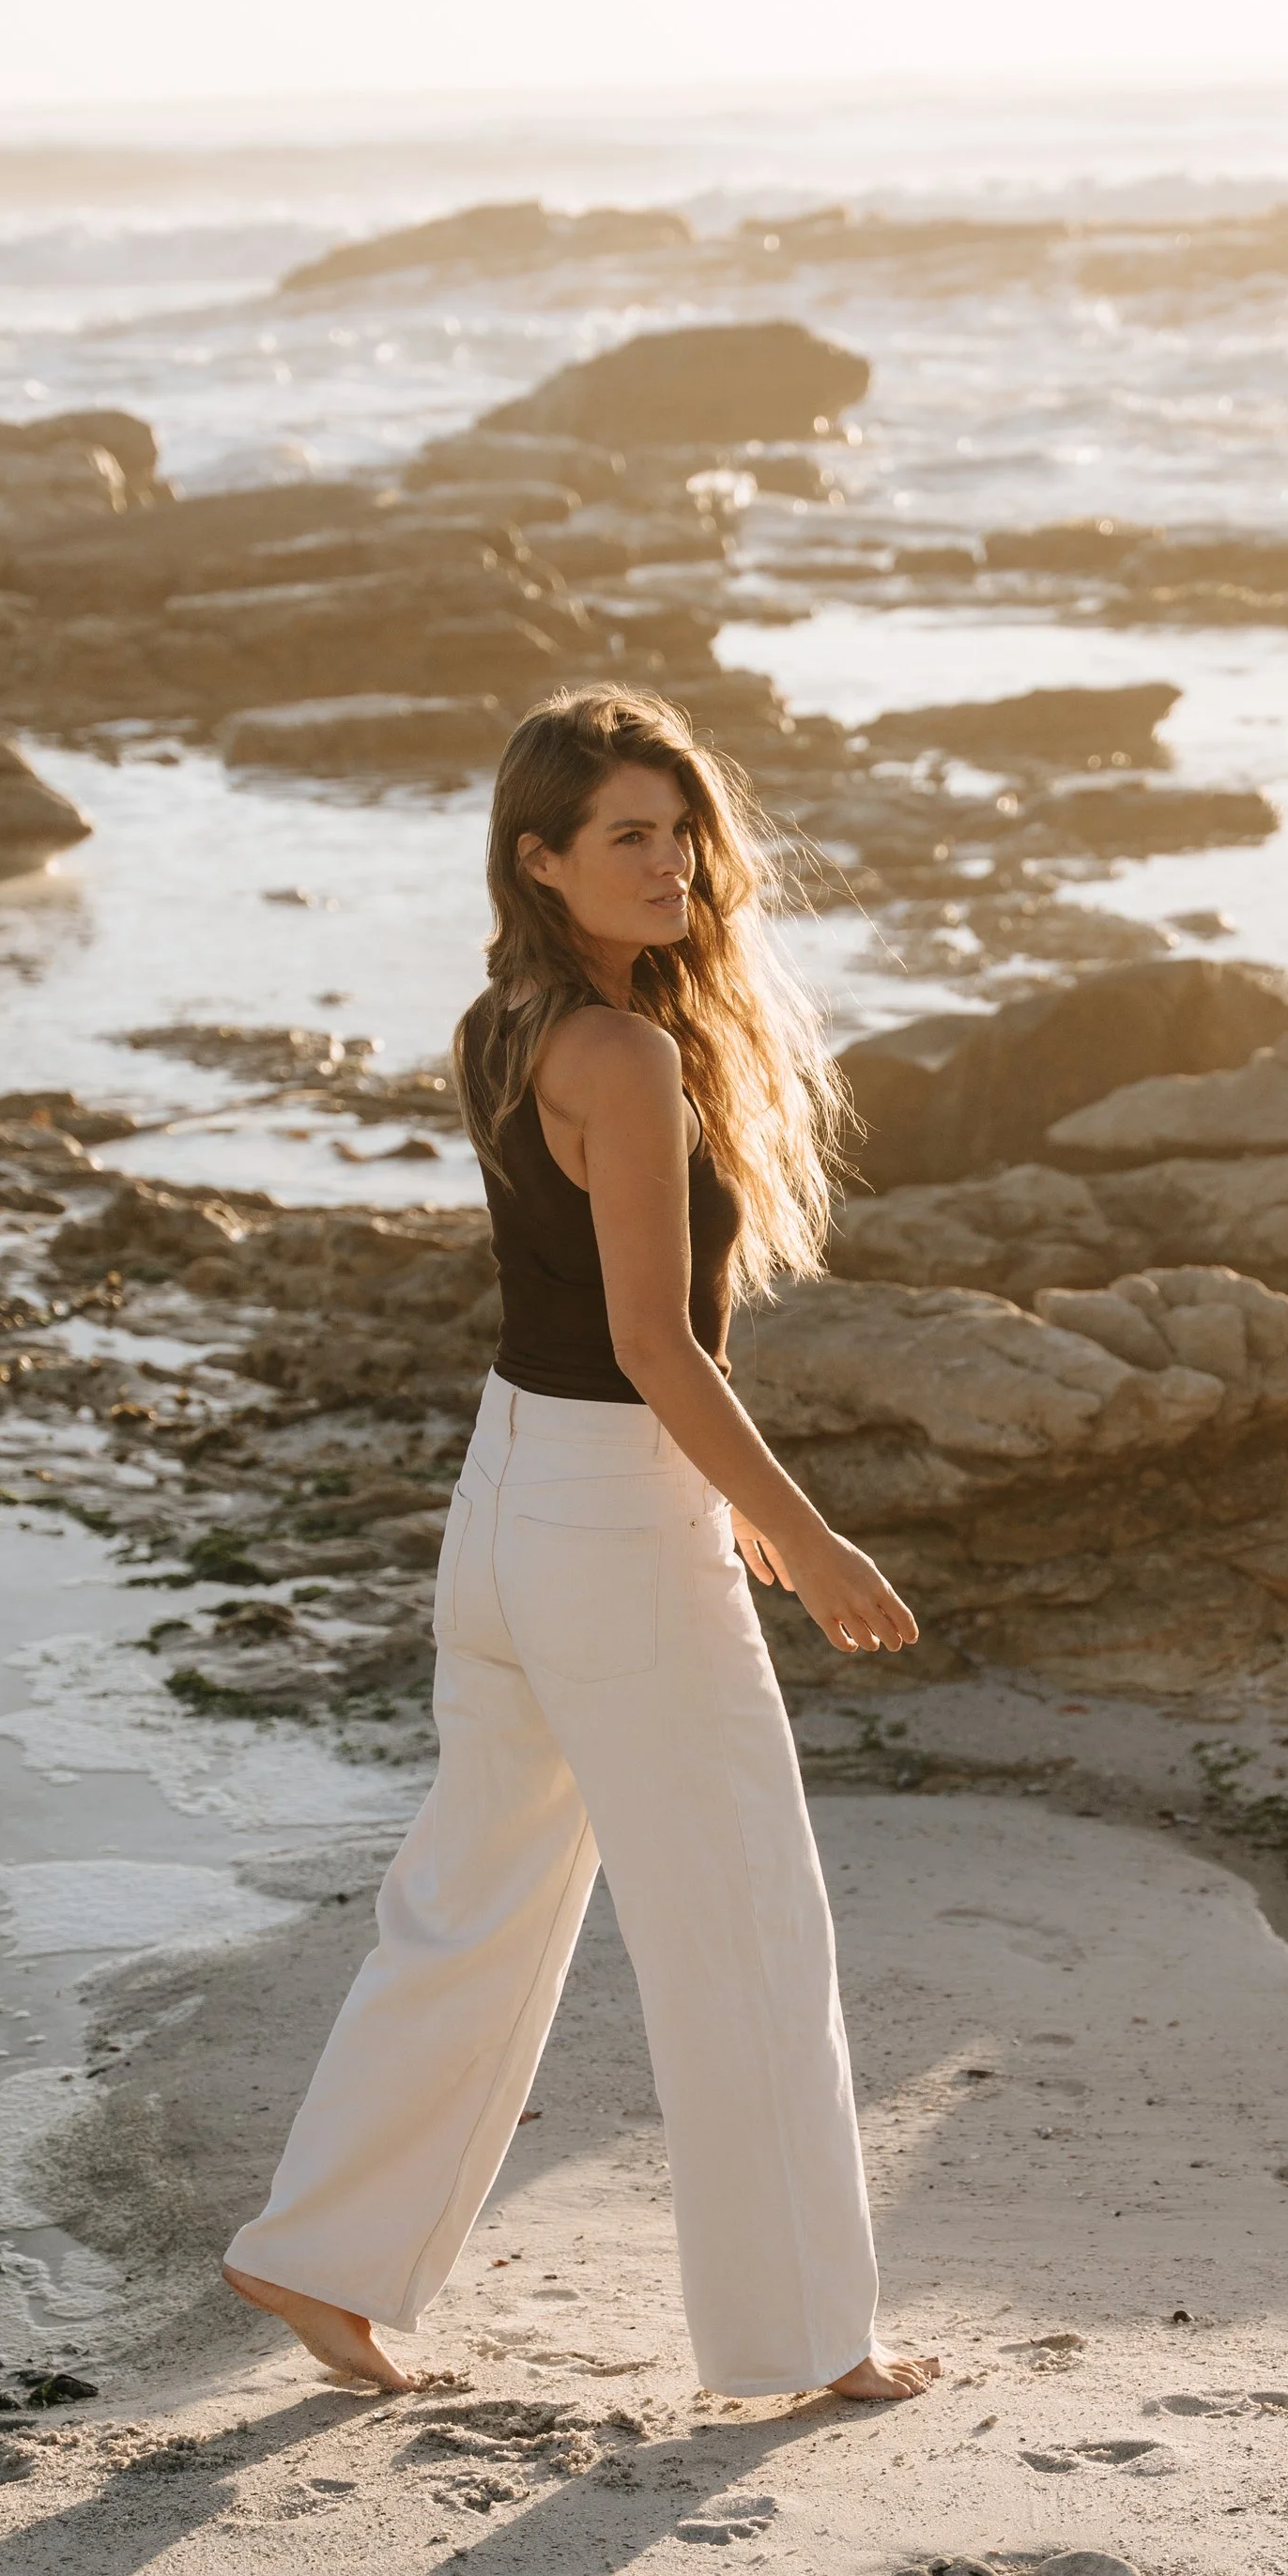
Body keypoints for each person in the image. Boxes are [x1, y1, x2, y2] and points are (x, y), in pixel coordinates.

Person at [224, 686, 936, 2406]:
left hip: (510, 1498)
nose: (671, 860)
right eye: (629, 834)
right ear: (539, 857)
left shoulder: (503, 1025)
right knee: (745, 1925)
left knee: (470, 1903)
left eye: (680, 831)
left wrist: (717, 1500)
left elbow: (584, 1332)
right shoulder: (622, 1054)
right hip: (611, 1519)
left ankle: (319, 2250)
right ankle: (805, 2338)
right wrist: (808, 1538)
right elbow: (652, 1344)